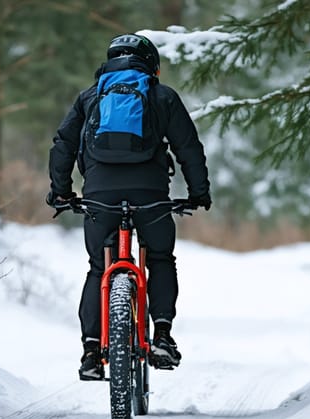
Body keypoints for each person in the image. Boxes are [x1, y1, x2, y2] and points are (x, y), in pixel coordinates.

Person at [46, 33, 212, 381]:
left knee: (97, 268)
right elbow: (188, 147)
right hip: (150, 194)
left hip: (100, 196)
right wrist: (199, 193)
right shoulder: (162, 96)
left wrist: (61, 191)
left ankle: (92, 351)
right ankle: (163, 336)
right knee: (161, 258)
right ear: (150, 64)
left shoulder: (90, 97)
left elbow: (63, 144)